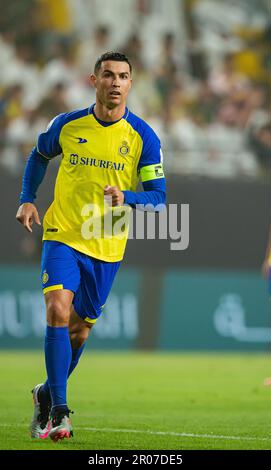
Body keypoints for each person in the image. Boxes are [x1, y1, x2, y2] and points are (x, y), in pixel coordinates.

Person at [16, 51, 166, 442]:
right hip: (63, 233)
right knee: (57, 310)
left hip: (107, 245)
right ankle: (60, 413)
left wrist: (129, 198)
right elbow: (38, 154)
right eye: (108, 75)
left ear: (131, 84)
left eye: (123, 76)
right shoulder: (67, 125)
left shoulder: (144, 138)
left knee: (79, 333)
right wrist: (27, 197)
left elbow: (159, 197)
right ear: (93, 81)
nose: (116, 82)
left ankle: (45, 393)